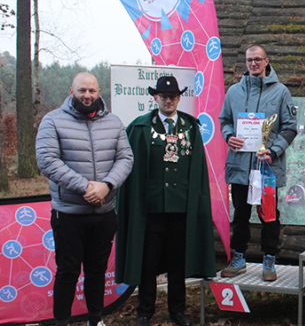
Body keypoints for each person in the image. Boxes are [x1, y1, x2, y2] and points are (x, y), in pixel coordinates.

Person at [115, 76, 216, 326]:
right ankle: (145, 311)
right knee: (147, 262)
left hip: (180, 209)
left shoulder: (191, 128)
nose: (168, 100)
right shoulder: (139, 128)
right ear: (155, 98)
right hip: (150, 209)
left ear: (179, 98)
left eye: (172, 96)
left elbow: (199, 170)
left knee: (177, 263)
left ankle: (177, 310)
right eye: (163, 96)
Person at [36, 72, 134, 326]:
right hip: (69, 214)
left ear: (99, 93)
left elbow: (125, 158)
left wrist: (107, 186)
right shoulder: (52, 121)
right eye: (82, 91)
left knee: (97, 272)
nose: (87, 95)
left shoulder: (113, 123)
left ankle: (95, 319)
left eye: (92, 91)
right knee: (67, 271)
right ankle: (62, 321)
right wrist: (86, 188)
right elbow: (47, 160)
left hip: (104, 215)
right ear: (71, 92)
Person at [219, 45, 298, 280]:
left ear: (266, 61)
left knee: (269, 215)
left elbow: (290, 127)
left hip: (267, 166)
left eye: (257, 59)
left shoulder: (281, 92)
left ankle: (269, 260)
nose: (253, 64)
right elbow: (224, 120)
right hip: (240, 164)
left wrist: (274, 151)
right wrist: (228, 135)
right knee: (241, 214)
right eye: (249, 60)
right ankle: (239, 257)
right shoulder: (234, 92)